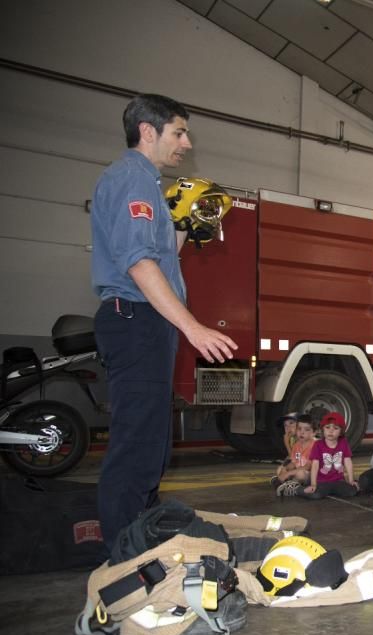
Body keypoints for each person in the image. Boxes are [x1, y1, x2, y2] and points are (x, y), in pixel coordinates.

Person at [91, 93, 236, 548]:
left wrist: (184, 231)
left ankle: (142, 535)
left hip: (146, 322)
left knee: (151, 444)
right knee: (136, 446)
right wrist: (192, 326)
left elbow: (158, 259)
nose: (187, 143)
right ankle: (124, 557)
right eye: (179, 131)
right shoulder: (133, 178)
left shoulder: (149, 184)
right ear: (148, 131)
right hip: (134, 318)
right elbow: (138, 266)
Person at [294, 412, 358, 500]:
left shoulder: (343, 443)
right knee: (315, 495)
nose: (331, 431)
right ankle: (297, 489)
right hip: (321, 481)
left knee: (352, 491)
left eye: (335, 428)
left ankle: (330, 490)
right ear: (323, 429)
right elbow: (315, 465)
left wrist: (351, 480)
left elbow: (348, 461)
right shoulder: (318, 444)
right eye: (327, 427)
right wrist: (313, 484)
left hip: (337, 481)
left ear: (341, 432)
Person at [273, 414, 316, 493]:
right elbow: (294, 462)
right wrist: (286, 469)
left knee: (300, 474)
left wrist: (288, 473)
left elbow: (308, 467)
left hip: (312, 475)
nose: (302, 432)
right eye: (299, 429)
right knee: (281, 469)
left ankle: (292, 486)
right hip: (299, 470)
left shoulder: (315, 445)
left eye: (306, 430)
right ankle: (288, 482)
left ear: (313, 433)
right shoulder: (297, 444)